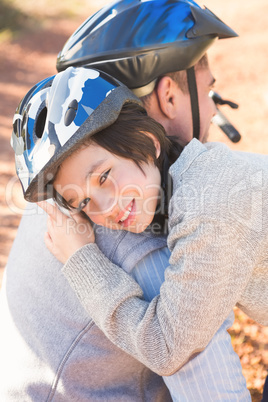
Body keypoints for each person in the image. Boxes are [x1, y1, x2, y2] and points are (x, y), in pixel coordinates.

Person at [1, 0, 251, 400]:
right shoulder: (141, 227)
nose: (100, 208)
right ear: (169, 96)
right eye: (209, 90)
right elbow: (212, 390)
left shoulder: (65, 183)